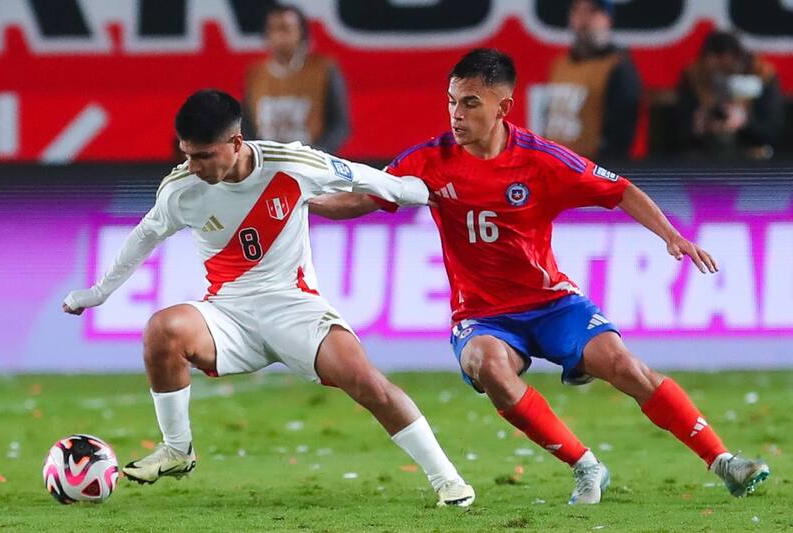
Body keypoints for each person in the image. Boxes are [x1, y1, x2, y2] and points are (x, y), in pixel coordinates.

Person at [310, 49, 770, 504]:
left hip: (552, 303)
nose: (456, 114)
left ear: (502, 107)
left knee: (625, 366)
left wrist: (672, 236)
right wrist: (303, 200)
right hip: (482, 315)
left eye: (470, 102)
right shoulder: (428, 160)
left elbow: (619, 190)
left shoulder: (541, 159)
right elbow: (361, 199)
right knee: (489, 366)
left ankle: (723, 461)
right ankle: (585, 466)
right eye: (451, 100)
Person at [61, 89, 474, 508]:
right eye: (188, 154)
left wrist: (419, 192)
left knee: (368, 383)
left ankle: (448, 482)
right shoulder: (180, 190)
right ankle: (177, 450)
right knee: (162, 330)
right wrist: (98, 293)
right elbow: (144, 236)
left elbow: (362, 176)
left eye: (204, 155)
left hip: (295, 307)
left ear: (236, 143)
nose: (193, 166)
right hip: (227, 314)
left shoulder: (291, 163)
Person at [243, 4, 350, 153]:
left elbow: (339, 125)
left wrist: (318, 154)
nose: (278, 36)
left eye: (285, 29)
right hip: (267, 162)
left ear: (301, 33)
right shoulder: (256, 74)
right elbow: (247, 125)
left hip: (310, 160)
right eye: (272, 29)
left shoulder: (323, 70)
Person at [542, 0, 640, 160]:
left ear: (607, 18)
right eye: (577, 11)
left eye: (591, 12)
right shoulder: (560, 65)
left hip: (590, 171)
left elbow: (619, 138)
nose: (583, 19)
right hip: (554, 168)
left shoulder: (618, 68)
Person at [675, 30, 784, 160]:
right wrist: (697, 124)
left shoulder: (762, 74)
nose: (722, 80)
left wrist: (746, 122)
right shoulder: (694, 76)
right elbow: (677, 132)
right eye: (715, 76)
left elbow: (774, 128)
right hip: (704, 155)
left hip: (755, 153)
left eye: (729, 73)